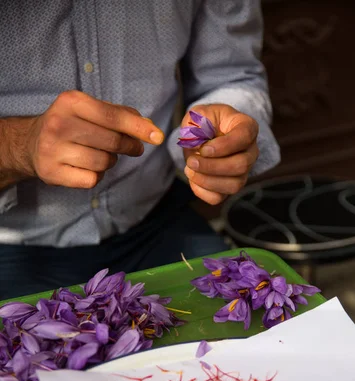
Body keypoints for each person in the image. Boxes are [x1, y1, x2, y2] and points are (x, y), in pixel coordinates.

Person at [0, 1, 280, 300]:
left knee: (252, 326)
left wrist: (223, 129)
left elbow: (232, 74)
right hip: (13, 245)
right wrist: (17, 146)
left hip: (156, 219)